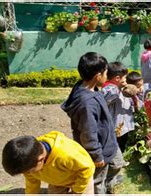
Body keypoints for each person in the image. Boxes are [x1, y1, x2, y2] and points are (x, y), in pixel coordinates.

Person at [61, 52, 122, 194]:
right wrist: (96, 155)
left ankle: (108, 183)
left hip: (107, 141)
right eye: (106, 73)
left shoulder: (86, 87)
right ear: (98, 76)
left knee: (117, 163)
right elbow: (88, 133)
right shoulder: (87, 104)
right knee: (97, 181)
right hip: (98, 148)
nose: (107, 76)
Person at [2, 131, 95, 194]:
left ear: (40, 159)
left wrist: (77, 190)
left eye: (29, 171)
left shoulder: (65, 154)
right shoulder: (29, 159)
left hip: (80, 179)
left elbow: (87, 168)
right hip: (56, 180)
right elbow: (32, 180)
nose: (28, 174)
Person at [101, 62, 135, 154]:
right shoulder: (109, 89)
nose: (125, 81)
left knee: (122, 141)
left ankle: (120, 157)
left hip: (122, 123)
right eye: (124, 78)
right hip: (115, 124)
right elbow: (111, 95)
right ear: (117, 78)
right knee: (116, 143)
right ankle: (114, 160)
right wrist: (120, 86)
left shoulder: (118, 87)